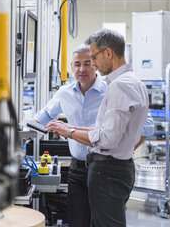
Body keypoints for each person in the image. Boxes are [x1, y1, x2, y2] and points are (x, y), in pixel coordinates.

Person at [34, 44, 153, 226]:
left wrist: (122, 150)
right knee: (77, 221)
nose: (82, 69)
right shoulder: (64, 93)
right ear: (71, 67)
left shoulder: (113, 89)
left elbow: (146, 126)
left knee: (104, 221)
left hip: (106, 168)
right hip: (77, 169)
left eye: (88, 63)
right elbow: (41, 118)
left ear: (95, 65)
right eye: (77, 64)